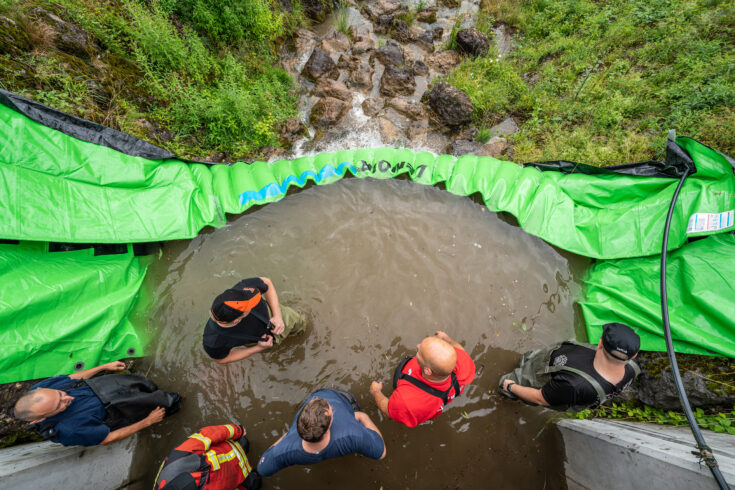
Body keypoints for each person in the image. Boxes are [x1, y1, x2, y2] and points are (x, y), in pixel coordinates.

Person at [13, 361, 181, 447]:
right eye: (59, 406)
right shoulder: (70, 431)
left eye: (60, 394)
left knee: (147, 385)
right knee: (170, 402)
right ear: (37, 420)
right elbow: (107, 438)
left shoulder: (39, 389)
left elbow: (71, 379)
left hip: (106, 386)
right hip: (117, 409)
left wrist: (104, 367)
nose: (69, 398)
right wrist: (148, 421)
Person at [498, 322, 641, 412]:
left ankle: (507, 393)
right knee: (528, 359)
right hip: (552, 360)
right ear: (633, 356)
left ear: (600, 344)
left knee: (505, 382)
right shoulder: (632, 368)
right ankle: (526, 361)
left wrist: (511, 387)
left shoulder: (574, 385)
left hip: (546, 376)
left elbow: (539, 398)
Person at [256, 389, 386, 476]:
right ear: (330, 424)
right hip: (343, 399)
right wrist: (362, 416)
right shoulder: (353, 434)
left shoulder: (286, 451)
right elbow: (381, 453)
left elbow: (262, 469)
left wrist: (287, 437)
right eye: (332, 409)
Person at [369, 331, 476, 428]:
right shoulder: (462, 362)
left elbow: (387, 412)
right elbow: (460, 350)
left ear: (427, 371)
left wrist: (376, 392)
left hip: (414, 404)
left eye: (420, 352)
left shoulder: (408, 402)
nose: (418, 346)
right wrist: (447, 339)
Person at [203, 277, 306, 364]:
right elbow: (221, 359)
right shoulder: (213, 341)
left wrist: (277, 315)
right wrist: (258, 348)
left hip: (275, 315)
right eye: (248, 306)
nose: (252, 301)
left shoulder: (240, 290)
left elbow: (266, 282)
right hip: (259, 342)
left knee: (302, 326)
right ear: (237, 320)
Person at [154, 423, 261, 490]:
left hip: (232, 448)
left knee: (244, 443)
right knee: (256, 481)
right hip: (239, 479)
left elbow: (208, 435)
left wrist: (238, 430)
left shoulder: (177, 460)